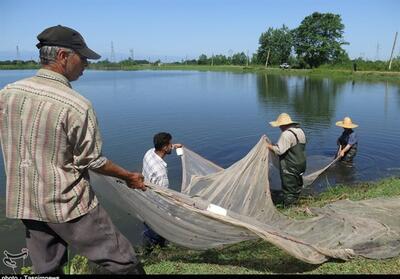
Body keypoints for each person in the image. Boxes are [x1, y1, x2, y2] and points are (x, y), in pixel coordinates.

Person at [0, 25, 147, 275]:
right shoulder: (76, 105)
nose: (86, 65)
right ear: (63, 57)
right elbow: (92, 161)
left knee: (46, 269)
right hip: (66, 203)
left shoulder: (8, 94)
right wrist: (128, 176)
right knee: (123, 262)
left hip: (27, 201)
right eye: (84, 58)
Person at [141, 132, 182, 252]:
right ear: (164, 147)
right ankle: (153, 254)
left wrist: (175, 146)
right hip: (154, 209)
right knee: (156, 234)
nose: (171, 146)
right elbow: (161, 200)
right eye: (170, 144)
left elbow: (162, 148)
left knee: (148, 229)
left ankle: (151, 249)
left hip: (144, 199)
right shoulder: (161, 174)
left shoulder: (149, 153)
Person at [266, 113, 307, 207]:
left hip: (290, 165)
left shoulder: (286, 134)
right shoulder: (300, 131)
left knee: (288, 187)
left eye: (280, 125)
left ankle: (289, 207)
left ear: (283, 125)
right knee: (297, 184)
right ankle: (297, 201)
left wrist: (268, 146)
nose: (279, 127)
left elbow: (280, 151)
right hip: (301, 163)